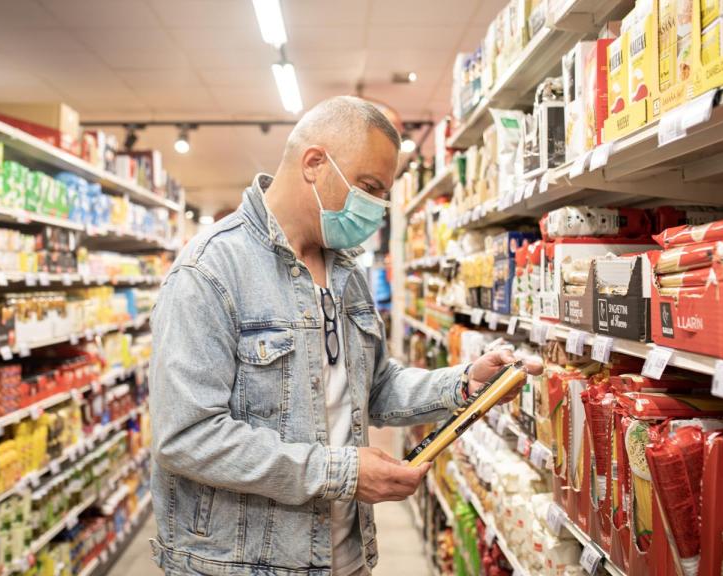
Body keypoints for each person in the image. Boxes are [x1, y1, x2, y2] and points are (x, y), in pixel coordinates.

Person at [149, 96, 542, 575]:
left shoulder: (346, 272)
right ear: (315, 163)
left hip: (344, 557)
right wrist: (343, 472)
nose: (376, 208)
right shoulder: (208, 271)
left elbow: (373, 388)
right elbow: (186, 436)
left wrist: (463, 384)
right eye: (369, 187)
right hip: (245, 564)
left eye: (383, 195)